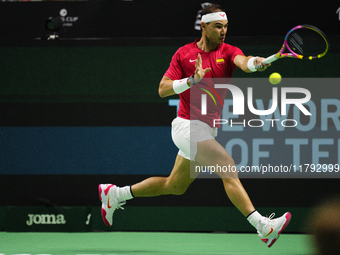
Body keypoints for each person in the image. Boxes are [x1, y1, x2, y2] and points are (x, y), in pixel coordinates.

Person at [98, 3, 291, 248]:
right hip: (187, 126)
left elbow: (244, 61)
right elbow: (162, 89)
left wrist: (255, 63)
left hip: (207, 129)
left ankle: (115, 194)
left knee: (174, 185)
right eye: (218, 26)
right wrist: (191, 80)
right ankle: (263, 226)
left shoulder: (229, 51)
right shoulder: (183, 54)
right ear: (204, 26)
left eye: (226, 26)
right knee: (226, 165)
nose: (223, 31)